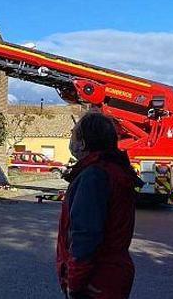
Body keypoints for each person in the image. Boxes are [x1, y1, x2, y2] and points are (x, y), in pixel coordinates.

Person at [56, 112, 143, 299]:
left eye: (74, 134)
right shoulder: (113, 169)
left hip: (95, 281)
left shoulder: (94, 176)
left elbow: (86, 235)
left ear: (83, 143)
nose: (71, 140)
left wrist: (74, 283)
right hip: (112, 275)